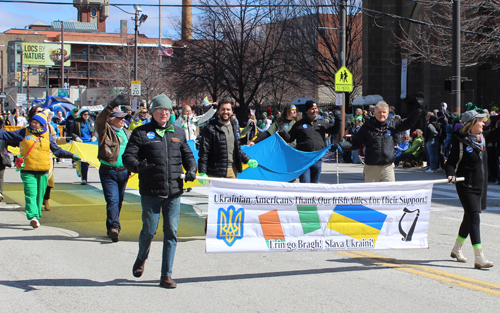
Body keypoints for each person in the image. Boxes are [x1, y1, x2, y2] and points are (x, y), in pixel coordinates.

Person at [123, 94, 197, 289]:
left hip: (174, 192)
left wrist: (191, 170)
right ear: (153, 112)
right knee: (149, 231)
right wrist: (138, 166)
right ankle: (141, 257)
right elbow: (127, 157)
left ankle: (166, 275)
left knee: (171, 233)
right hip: (151, 192)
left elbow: (188, 155)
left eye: (167, 110)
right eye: (159, 110)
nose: (164, 113)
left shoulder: (178, 132)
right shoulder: (141, 133)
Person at [0, 112, 79, 228]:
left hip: (43, 171)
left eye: (36, 122)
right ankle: (32, 216)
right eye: (32, 121)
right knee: (30, 193)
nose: (33, 123)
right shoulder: (24, 132)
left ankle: (36, 216)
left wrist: (72, 156)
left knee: (39, 196)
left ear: (42, 125)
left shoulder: (47, 136)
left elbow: (57, 151)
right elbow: (7, 136)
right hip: (27, 170)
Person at [445, 110, 500, 269]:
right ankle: (479, 257)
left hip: (480, 185)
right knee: (475, 217)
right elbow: (450, 163)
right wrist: (450, 174)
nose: (484, 124)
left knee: (469, 218)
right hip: (466, 185)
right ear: (471, 124)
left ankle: (456, 249)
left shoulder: (482, 139)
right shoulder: (460, 142)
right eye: (480, 121)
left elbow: (498, 132)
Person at [335, 98, 422, 182]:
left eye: (384, 112)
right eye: (379, 112)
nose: (382, 115)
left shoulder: (393, 125)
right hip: (371, 167)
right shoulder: (367, 127)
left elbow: (409, 123)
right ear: (375, 113)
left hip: (387, 167)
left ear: (388, 114)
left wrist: (418, 109)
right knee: (372, 195)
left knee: (389, 195)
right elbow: (355, 143)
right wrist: (340, 145)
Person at [95, 95, 131, 243]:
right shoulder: (105, 130)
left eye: (124, 118)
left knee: (119, 201)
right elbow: (100, 119)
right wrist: (111, 106)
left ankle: (112, 224)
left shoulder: (127, 133)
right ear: (111, 119)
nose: (123, 120)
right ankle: (114, 227)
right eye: (119, 118)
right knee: (113, 200)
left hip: (124, 171)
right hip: (108, 171)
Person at [280, 100, 341, 183]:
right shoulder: (299, 124)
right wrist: (282, 133)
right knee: (305, 184)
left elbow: (335, 130)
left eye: (316, 108)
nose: (315, 111)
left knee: (314, 185)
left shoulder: (322, 123)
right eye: (312, 109)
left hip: (317, 158)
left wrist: (338, 119)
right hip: (304, 159)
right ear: (307, 111)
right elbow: (290, 138)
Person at [198, 99, 258, 180]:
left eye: (228, 109)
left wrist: (248, 160)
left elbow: (237, 149)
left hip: (233, 170)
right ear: (218, 111)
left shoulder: (235, 126)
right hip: (216, 172)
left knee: (233, 193)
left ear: (232, 111)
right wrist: (202, 171)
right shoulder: (210, 128)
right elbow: (204, 152)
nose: (225, 112)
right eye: (223, 109)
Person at [71, 108, 96, 185]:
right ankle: (84, 178)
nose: (86, 116)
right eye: (85, 114)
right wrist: (76, 137)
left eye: (88, 114)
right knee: (83, 161)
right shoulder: (76, 122)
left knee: (89, 161)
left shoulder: (91, 122)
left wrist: (95, 136)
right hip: (81, 143)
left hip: (90, 143)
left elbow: (96, 131)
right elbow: (72, 132)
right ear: (81, 115)